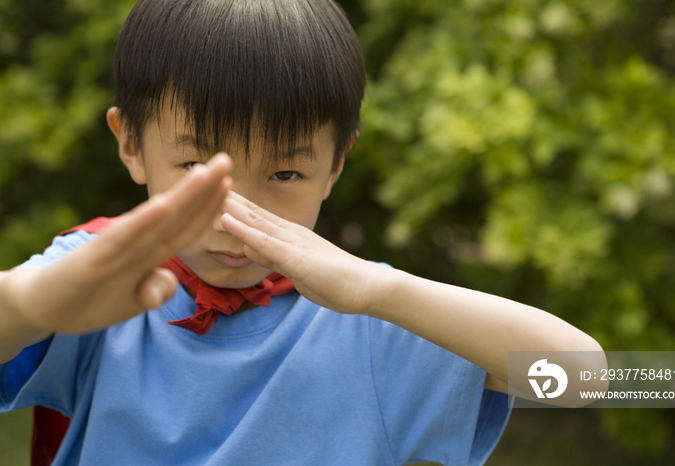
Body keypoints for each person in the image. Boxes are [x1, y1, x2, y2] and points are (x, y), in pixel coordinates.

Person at [0, 0, 604, 465]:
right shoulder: (103, 272)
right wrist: (32, 303)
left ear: (336, 164)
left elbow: (610, 380)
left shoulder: (366, 315)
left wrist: (381, 293)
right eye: (196, 168)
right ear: (130, 143)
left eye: (285, 172)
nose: (238, 215)